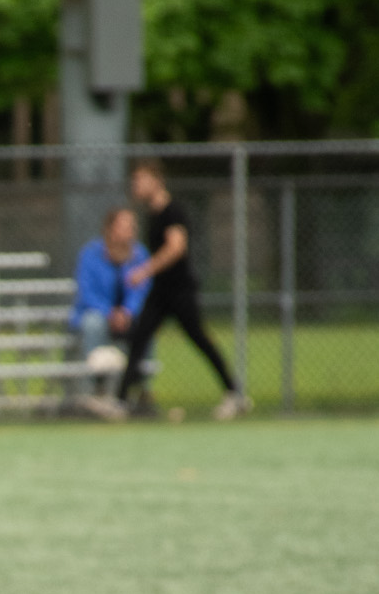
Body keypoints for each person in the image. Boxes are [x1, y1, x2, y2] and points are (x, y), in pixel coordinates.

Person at [96, 160, 250, 421]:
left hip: (179, 291)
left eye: (142, 180)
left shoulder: (172, 211)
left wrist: (144, 271)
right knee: (139, 339)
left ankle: (235, 393)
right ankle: (121, 401)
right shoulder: (152, 214)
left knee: (199, 339)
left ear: (157, 181)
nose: (137, 186)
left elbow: (176, 247)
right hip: (161, 292)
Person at [69, 206, 149, 397]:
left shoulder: (139, 255)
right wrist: (110, 313)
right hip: (99, 315)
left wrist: (127, 312)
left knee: (147, 323)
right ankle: (96, 385)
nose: (130, 231)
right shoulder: (91, 254)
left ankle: (140, 388)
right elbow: (87, 292)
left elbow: (141, 290)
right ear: (110, 229)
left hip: (126, 318)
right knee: (93, 323)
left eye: (132, 226)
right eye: (124, 226)